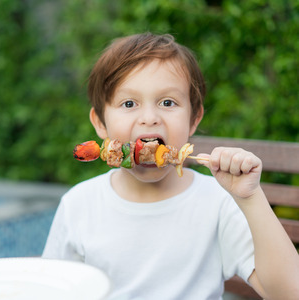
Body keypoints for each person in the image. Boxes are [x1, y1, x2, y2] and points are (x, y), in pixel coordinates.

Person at [42, 32, 299, 299]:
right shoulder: (78, 205)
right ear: (100, 123)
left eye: (168, 102)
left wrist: (251, 198)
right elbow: (53, 290)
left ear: (193, 118)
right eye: (129, 103)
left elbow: (289, 293)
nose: (150, 118)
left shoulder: (218, 202)